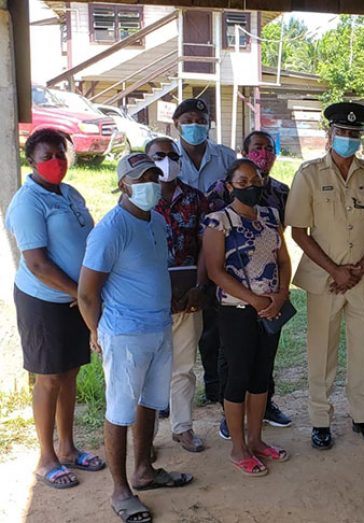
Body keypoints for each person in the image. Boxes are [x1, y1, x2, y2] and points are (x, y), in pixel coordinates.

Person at [78, 154, 192, 523]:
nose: (151, 185)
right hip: (124, 332)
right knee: (120, 409)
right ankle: (120, 489)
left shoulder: (156, 221)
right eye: (142, 178)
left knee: (150, 403)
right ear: (124, 184)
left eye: (154, 177)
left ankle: (144, 470)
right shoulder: (111, 229)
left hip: (159, 327)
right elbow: (86, 293)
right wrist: (96, 332)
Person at [285, 102, 364, 449]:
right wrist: (336, 271)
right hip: (324, 278)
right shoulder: (309, 174)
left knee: (362, 346)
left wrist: (358, 270)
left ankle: (363, 416)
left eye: (354, 134)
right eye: (342, 133)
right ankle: (320, 419)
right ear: (329, 135)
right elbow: (298, 231)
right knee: (322, 349)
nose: (348, 139)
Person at [6, 129, 105, 489]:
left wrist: (85, 293)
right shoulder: (27, 202)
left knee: (70, 373)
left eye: (61, 155)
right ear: (31, 160)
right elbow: (37, 264)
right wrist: (81, 293)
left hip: (75, 298)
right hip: (44, 300)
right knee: (48, 378)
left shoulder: (70, 193)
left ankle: (68, 448)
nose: (56, 162)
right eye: (47, 156)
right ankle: (45, 457)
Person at [202, 158, 292, 477]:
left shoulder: (271, 216)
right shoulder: (218, 221)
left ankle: (256, 440)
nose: (250, 187)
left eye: (256, 181)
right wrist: (254, 299)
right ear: (229, 186)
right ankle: (238, 447)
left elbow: (283, 259)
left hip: (271, 307)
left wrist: (280, 295)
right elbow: (215, 271)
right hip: (236, 310)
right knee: (238, 376)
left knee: (261, 375)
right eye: (242, 182)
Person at [172, 98, 236, 406]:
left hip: (219, 249)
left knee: (215, 325)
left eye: (200, 119)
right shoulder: (166, 156)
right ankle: (166, 396)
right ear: (176, 124)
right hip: (177, 254)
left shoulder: (225, 157)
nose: (195, 125)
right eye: (188, 120)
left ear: (209, 122)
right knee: (173, 325)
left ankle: (214, 385)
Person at [148, 137, 209, 453]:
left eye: (173, 156)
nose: (167, 161)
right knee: (148, 371)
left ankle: (182, 428)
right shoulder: (137, 199)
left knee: (184, 367)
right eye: (159, 155)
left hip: (189, 299)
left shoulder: (197, 200)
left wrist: (198, 287)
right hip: (148, 302)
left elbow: (206, 247)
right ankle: (146, 438)